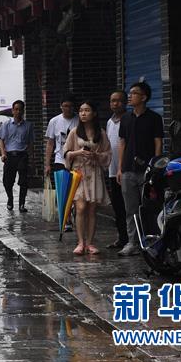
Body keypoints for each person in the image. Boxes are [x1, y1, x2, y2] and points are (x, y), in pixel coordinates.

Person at [116, 81, 164, 257]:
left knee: (150, 207)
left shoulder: (154, 118)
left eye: (134, 93)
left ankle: (153, 241)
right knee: (130, 209)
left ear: (144, 97)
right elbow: (122, 143)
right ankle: (132, 243)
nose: (130, 96)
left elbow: (158, 142)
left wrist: (156, 167)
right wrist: (120, 167)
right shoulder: (125, 119)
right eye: (130, 93)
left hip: (147, 170)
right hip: (128, 169)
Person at [64, 100, 111, 255]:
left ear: (94, 113)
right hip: (79, 174)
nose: (83, 113)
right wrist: (78, 153)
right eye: (81, 110)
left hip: (94, 173)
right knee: (80, 207)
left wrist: (96, 156)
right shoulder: (74, 132)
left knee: (91, 209)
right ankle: (80, 242)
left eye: (87, 110)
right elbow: (66, 152)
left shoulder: (101, 133)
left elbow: (108, 153)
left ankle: (90, 243)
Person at [45, 96, 79, 231]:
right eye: (65, 106)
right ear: (61, 106)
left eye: (70, 106)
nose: (68, 109)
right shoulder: (54, 121)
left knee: (75, 191)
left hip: (76, 160)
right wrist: (47, 163)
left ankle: (74, 213)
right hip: (60, 160)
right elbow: (50, 143)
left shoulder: (79, 120)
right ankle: (67, 219)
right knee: (63, 191)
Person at [0, 100, 33, 212]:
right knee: (7, 181)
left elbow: (31, 143)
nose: (18, 112)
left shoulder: (28, 126)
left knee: (24, 181)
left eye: (20, 109)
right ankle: (10, 199)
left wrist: (31, 158)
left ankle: (22, 204)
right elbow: (1, 140)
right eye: (16, 109)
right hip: (10, 156)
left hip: (22, 155)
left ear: (23, 111)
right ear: (12, 111)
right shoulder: (6, 125)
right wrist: (3, 154)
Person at [105, 90, 128, 249]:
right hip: (112, 171)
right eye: (112, 101)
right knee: (118, 206)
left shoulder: (129, 119)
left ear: (125, 102)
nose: (115, 103)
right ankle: (122, 238)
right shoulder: (109, 122)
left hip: (126, 170)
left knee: (129, 207)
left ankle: (133, 238)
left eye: (118, 100)